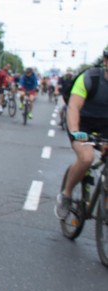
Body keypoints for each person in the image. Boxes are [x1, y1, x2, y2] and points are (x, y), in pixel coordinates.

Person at [55, 49, 108, 219]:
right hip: (82, 124)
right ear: (105, 61)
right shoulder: (89, 78)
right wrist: (76, 132)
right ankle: (66, 195)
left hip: (105, 125)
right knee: (86, 157)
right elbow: (74, 108)